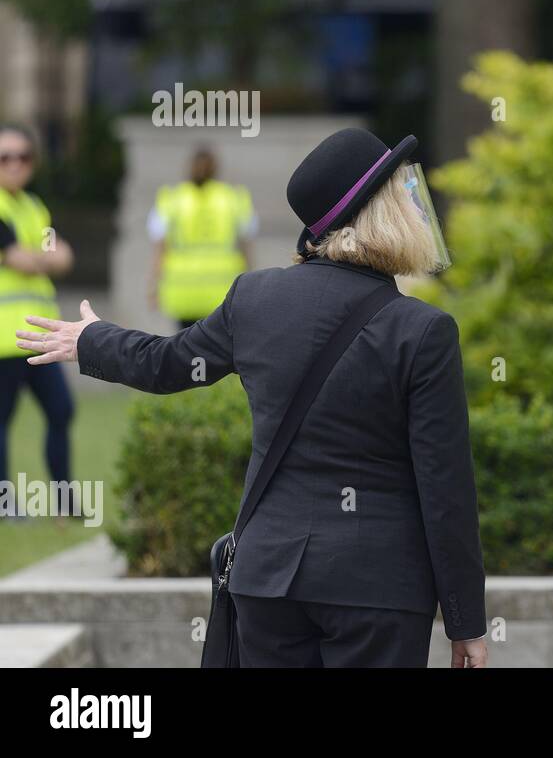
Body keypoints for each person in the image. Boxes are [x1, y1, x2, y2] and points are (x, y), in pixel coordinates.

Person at [18, 128, 488, 668]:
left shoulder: (255, 297)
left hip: (267, 581)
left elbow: (170, 364)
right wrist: (465, 623)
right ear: (382, 213)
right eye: (405, 193)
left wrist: (93, 340)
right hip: (377, 589)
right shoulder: (424, 330)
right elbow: (445, 486)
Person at [0, 124, 76, 520]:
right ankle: (4, 506)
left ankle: (65, 500)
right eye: (5, 157)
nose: (15, 164)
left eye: (23, 156)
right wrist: (39, 256)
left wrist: (35, 256)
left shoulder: (33, 207)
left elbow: (60, 256)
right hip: (2, 339)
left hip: (37, 339)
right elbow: (19, 259)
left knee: (62, 411)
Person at [148, 147, 256, 329]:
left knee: (186, 347)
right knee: (217, 349)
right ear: (216, 168)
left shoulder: (172, 198)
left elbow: (160, 247)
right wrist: (252, 284)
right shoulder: (233, 198)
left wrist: (153, 286)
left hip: (183, 291)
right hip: (222, 290)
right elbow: (246, 245)